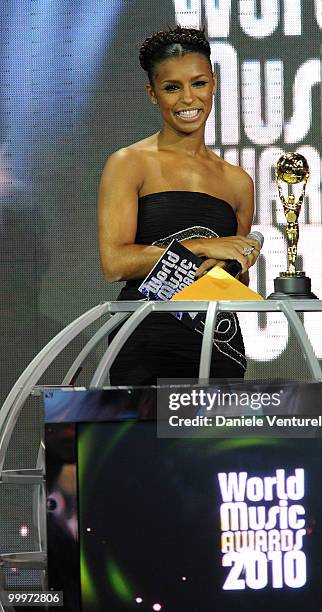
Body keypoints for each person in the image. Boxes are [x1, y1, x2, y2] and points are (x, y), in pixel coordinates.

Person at [98, 26, 260, 385]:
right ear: (153, 93)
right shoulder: (129, 163)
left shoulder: (238, 181)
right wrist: (200, 247)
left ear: (214, 83)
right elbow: (115, 264)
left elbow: (233, 275)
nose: (188, 99)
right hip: (144, 336)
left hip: (217, 343)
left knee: (223, 443)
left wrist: (235, 262)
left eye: (198, 83)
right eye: (172, 87)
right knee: (142, 442)